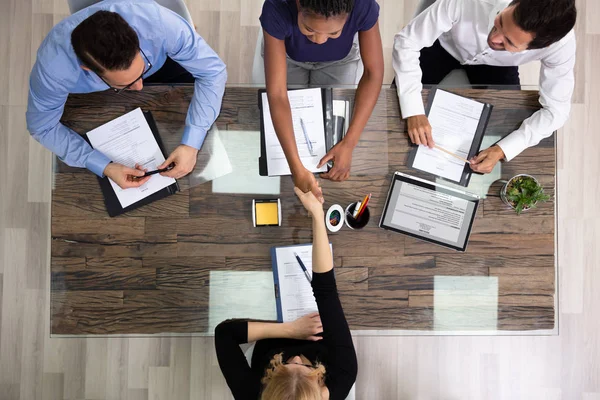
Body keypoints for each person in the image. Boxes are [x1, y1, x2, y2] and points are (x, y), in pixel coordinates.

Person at [26, 0, 227, 189]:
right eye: (128, 83)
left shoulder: (161, 25)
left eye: (140, 73)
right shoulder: (53, 69)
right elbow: (42, 127)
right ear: (88, 70)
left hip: (165, 64)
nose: (140, 87)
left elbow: (213, 72)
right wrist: (103, 165)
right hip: (100, 101)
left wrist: (191, 144)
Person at [392, 0, 577, 173]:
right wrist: (414, 111)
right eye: (500, 21)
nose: (494, 38)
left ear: (542, 46)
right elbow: (407, 42)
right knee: (394, 114)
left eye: (509, 42)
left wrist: (503, 149)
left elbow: (556, 111)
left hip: (497, 66)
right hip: (444, 44)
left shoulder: (560, 46)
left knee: (506, 130)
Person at [214, 187, 357, 400]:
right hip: (316, 325)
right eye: (306, 367)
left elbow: (224, 334)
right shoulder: (343, 374)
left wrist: (289, 330)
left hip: (272, 328)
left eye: (285, 364)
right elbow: (326, 291)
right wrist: (317, 214)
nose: (297, 357)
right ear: (320, 382)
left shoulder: (251, 394)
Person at [260, 0, 384, 202]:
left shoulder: (363, 4)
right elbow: (278, 95)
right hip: (288, 56)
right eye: (309, 29)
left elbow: (373, 73)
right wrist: (297, 168)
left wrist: (350, 143)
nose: (319, 40)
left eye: (333, 33)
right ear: (298, 4)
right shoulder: (277, 6)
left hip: (339, 61)